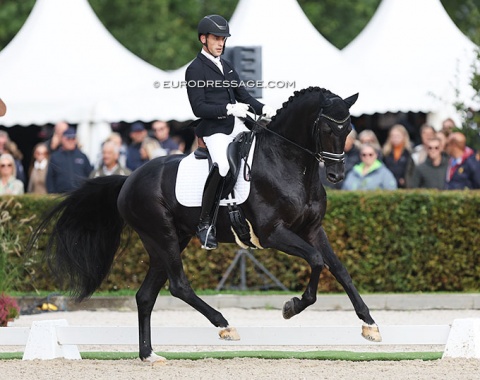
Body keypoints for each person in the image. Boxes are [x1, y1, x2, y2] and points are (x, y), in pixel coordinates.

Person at [185, 14, 276, 249]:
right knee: (223, 166)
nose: (221, 43)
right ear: (203, 39)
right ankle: (206, 224)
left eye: (223, 39)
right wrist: (228, 108)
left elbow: (244, 95)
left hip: (237, 123)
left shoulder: (225, 65)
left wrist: (265, 108)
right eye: (216, 39)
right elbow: (198, 108)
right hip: (214, 129)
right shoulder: (195, 69)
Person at [46, 127, 92, 193]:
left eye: (73, 138)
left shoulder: (82, 156)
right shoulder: (55, 157)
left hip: (80, 195)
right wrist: (52, 195)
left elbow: (90, 175)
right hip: (61, 195)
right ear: (62, 139)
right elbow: (49, 179)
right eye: (68, 138)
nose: (71, 141)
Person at [382, 124, 415, 188]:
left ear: (404, 137)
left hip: (403, 185)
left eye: (397, 136)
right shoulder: (386, 152)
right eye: (393, 136)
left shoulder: (409, 152)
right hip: (388, 184)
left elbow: (411, 170)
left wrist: (405, 179)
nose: (395, 138)